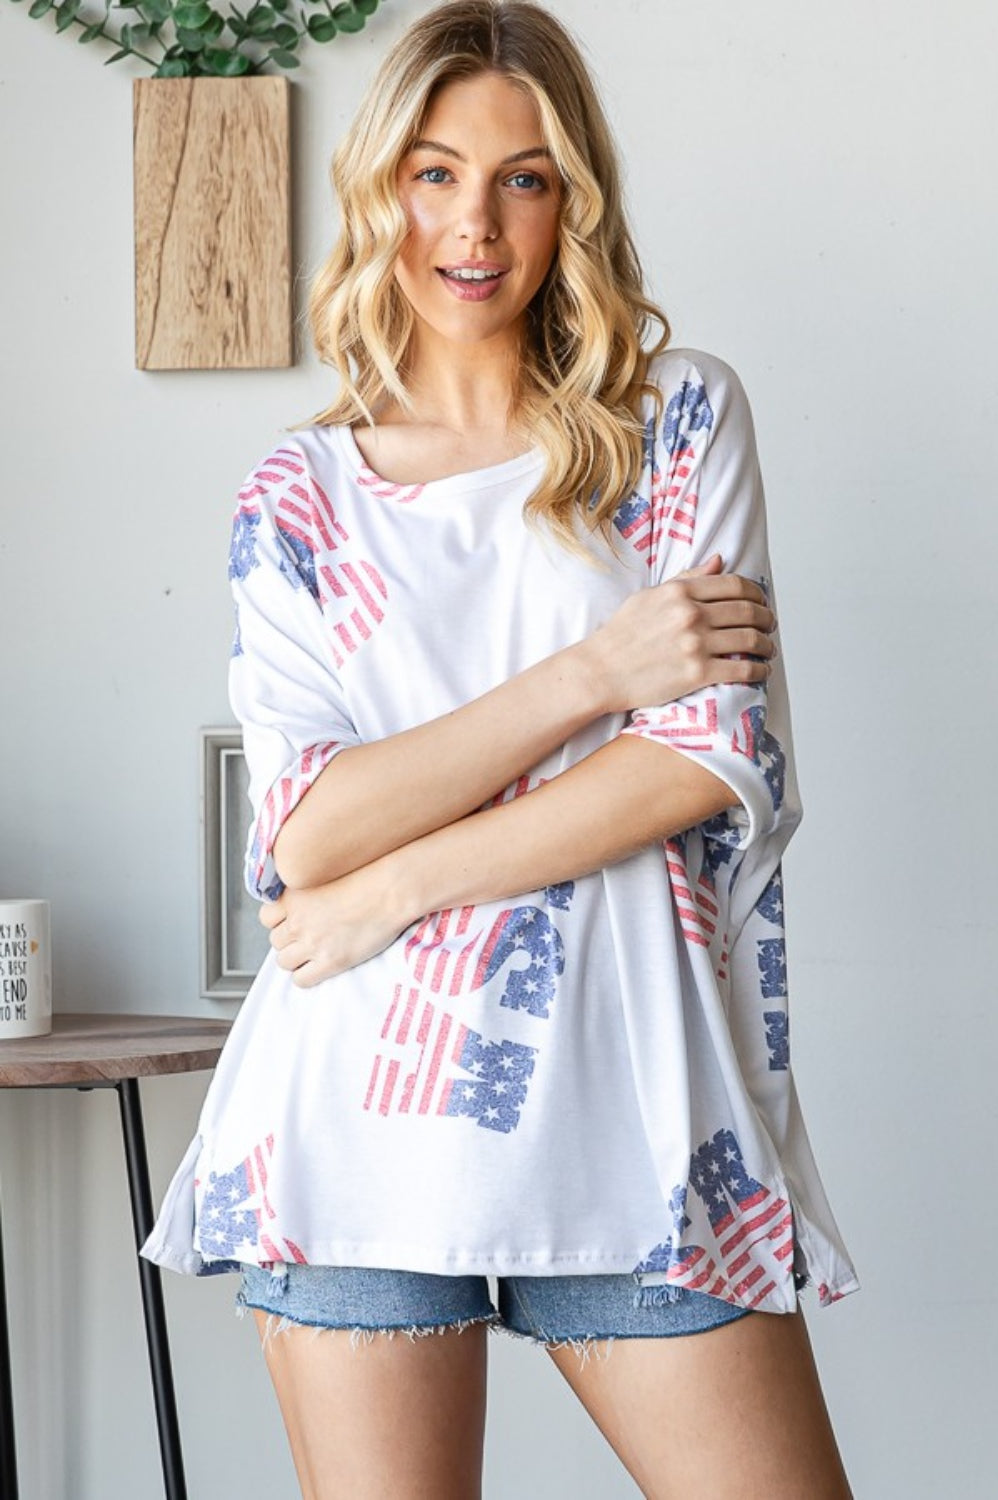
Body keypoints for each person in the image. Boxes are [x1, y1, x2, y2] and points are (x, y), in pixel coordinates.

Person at [143, 2, 859, 1495]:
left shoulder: (677, 424)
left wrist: (390, 889)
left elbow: (694, 765)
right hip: (352, 1127)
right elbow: (309, 834)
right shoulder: (300, 498)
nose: (475, 224)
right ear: (380, 191)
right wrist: (594, 672)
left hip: (645, 1115)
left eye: (523, 178)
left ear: (573, 201)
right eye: (435, 173)